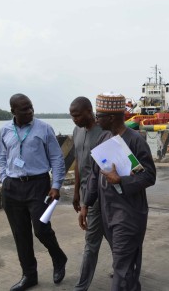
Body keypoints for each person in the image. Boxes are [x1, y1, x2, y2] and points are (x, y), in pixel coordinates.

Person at [79, 93, 156, 291]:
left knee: (120, 267)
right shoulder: (105, 137)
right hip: (108, 212)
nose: (96, 119)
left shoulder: (135, 141)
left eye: (100, 115)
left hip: (128, 215)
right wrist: (85, 204)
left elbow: (148, 176)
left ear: (111, 117)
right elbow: (96, 175)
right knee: (126, 264)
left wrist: (121, 179)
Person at [0, 94, 67, 291]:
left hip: (38, 185)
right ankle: (29, 275)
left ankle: (58, 257)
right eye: (24, 109)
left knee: (41, 229)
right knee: (21, 234)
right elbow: (1, 156)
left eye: (31, 107)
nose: (29, 112)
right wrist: (4, 178)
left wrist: (56, 185)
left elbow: (56, 158)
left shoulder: (44, 128)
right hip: (12, 187)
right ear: (13, 112)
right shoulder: (5, 130)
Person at [70, 97, 110, 291]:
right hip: (87, 196)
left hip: (106, 195)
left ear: (89, 111)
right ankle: (82, 285)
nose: (74, 119)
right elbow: (78, 162)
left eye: (77, 115)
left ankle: (81, 287)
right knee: (94, 240)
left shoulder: (105, 133)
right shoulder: (77, 131)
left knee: (105, 238)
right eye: (71, 116)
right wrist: (76, 191)